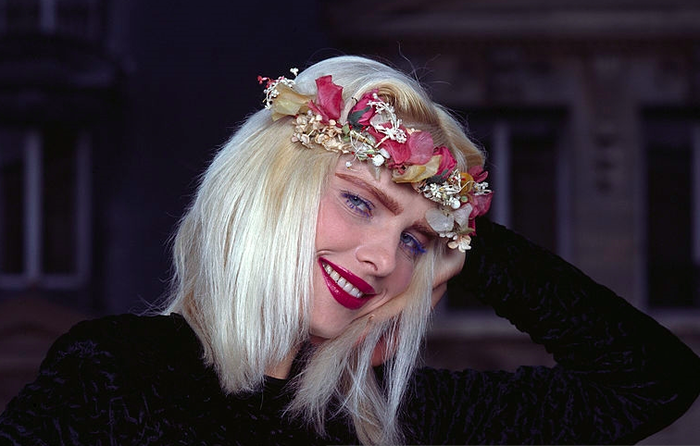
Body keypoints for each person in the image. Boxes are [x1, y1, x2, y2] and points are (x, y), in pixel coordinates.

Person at [0, 55, 699, 445]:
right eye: (360, 203)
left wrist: (465, 230)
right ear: (270, 190)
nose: (384, 261)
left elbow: (653, 381)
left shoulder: (396, 419)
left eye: (414, 242)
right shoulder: (121, 371)